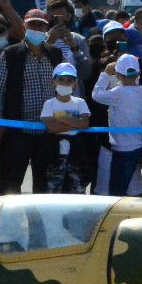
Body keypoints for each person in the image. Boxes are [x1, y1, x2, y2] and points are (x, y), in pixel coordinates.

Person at [0, 9, 65, 194]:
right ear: (24, 27)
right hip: (18, 131)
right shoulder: (10, 54)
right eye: (33, 24)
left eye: (41, 25)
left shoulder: (55, 54)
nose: (37, 28)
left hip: (48, 130)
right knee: (10, 184)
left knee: (43, 187)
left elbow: (64, 87)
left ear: (46, 29)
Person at [91, 50, 142, 196]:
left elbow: (96, 94)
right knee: (130, 189)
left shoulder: (118, 93)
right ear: (139, 73)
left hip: (121, 148)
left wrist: (105, 73)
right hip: (136, 146)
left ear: (117, 75)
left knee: (116, 192)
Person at [40, 63, 91, 193]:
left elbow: (84, 123)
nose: (65, 83)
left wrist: (61, 117)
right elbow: (51, 128)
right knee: (53, 187)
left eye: (69, 80)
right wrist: (74, 122)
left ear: (75, 84)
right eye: (61, 80)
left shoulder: (80, 102)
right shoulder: (49, 104)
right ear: (53, 82)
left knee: (79, 187)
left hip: (76, 153)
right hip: (55, 153)